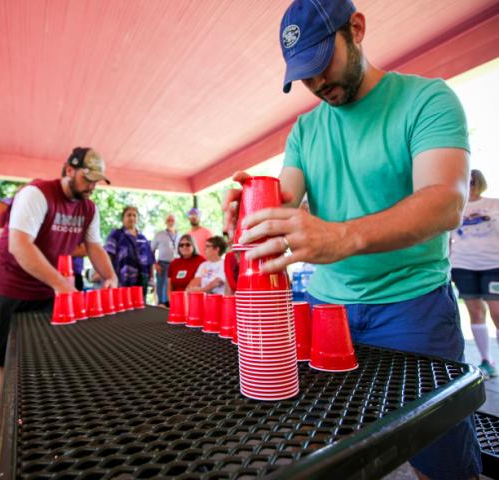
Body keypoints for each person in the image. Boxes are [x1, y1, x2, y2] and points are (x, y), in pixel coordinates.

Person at [223, 1, 480, 478]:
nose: (318, 83)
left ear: (356, 29)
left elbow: (446, 200)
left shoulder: (427, 99)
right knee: (336, 451)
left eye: (323, 62)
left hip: (412, 308)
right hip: (325, 310)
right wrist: (249, 208)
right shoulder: (305, 128)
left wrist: (343, 237)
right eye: (305, 75)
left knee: (438, 456)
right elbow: (284, 200)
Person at [0, 146, 117, 406]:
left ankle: (33, 410)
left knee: (40, 353)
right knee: (0, 358)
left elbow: (94, 246)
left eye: (97, 181)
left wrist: (110, 276)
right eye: (88, 179)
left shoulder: (89, 208)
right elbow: (19, 245)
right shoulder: (37, 194)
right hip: (9, 287)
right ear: (69, 170)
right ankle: (3, 425)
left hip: (46, 291)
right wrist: (61, 284)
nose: (92, 186)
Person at [451, 169, 499, 379]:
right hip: (463, 266)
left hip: (493, 265)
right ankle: (486, 360)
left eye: (473, 181)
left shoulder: (494, 204)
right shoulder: (454, 206)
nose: (469, 185)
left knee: (497, 312)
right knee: (475, 312)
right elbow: (447, 239)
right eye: (466, 181)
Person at [105, 206, 155, 299]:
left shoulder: (143, 238)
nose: (132, 218)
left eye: (134, 215)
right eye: (128, 215)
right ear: (123, 218)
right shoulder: (116, 235)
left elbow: (150, 261)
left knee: (140, 308)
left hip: (141, 281)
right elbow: (108, 256)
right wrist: (109, 276)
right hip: (121, 279)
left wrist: (152, 279)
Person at [151, 214, 179, 305]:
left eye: (172, 220)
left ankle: (173, 304)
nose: (171, 222)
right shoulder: (159, 234)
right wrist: (155, 264)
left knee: (174, 286)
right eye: (169, 220)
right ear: (165, 222)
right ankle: (161, 305)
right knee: (161, 286)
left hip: (176, 265)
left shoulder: (180, 235)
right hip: (162, 264)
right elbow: (151, 250)